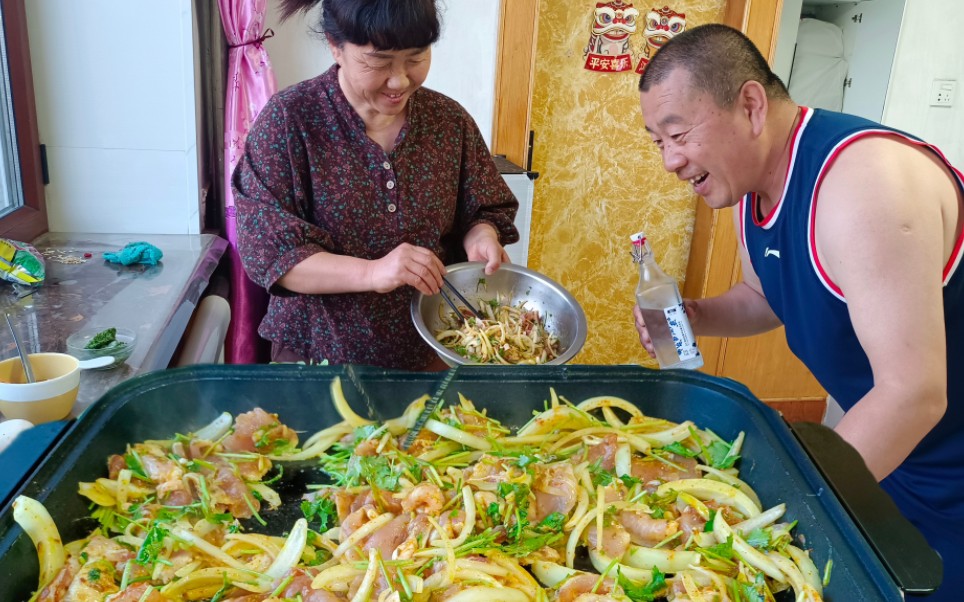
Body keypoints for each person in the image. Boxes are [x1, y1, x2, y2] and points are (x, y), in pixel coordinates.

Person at [635, 23, 962, 597]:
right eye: (658, 142)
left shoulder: (865, 185)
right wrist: (696, 315)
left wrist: (778, 511)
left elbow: (914, 392)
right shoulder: (752, 189)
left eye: (678, 134)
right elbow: (766, 297)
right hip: (903, 451)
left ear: (751, 106)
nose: (670, 161)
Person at [232, 0, 519, 370]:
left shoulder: (448, 121)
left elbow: (482, 208)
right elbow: (271, 256)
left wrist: (481, 236)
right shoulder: (289, 121)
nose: (399, 80)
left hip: (435, 350)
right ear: (336, 46)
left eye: (416, 58)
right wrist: (373, 272)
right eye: (379, 61)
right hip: (318, 354)